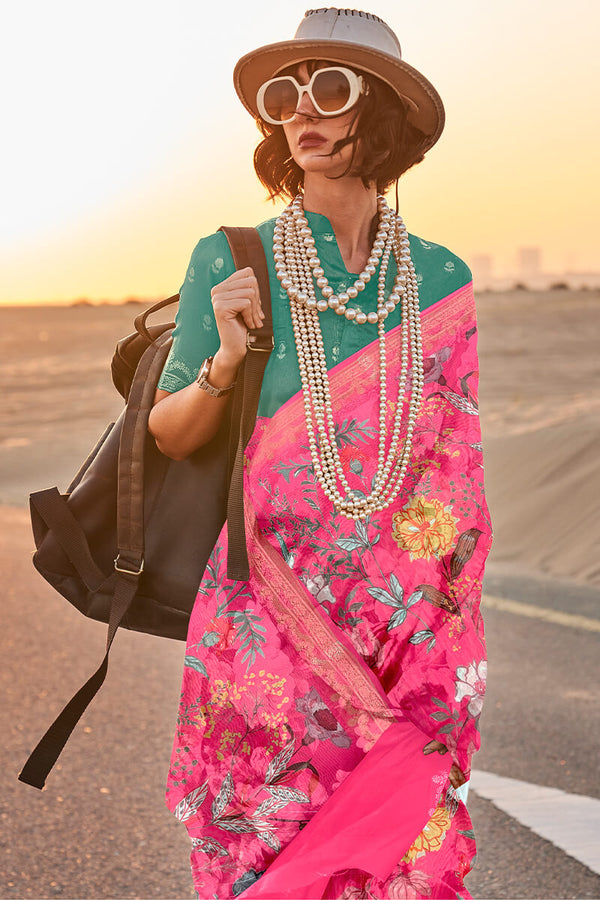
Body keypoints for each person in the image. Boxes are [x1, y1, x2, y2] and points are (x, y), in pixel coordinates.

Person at [148, 8, 491, 899]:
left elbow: (455, 467)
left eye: (328, 90)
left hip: (396, 620)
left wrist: (439, 621)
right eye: (283, 95)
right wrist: (225, 358)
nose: (302, 112)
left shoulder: (441, 278)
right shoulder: (233, 259)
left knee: (398, 842)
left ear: (376, 113)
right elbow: (170, 430)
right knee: (265, 837)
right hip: (265, 604)